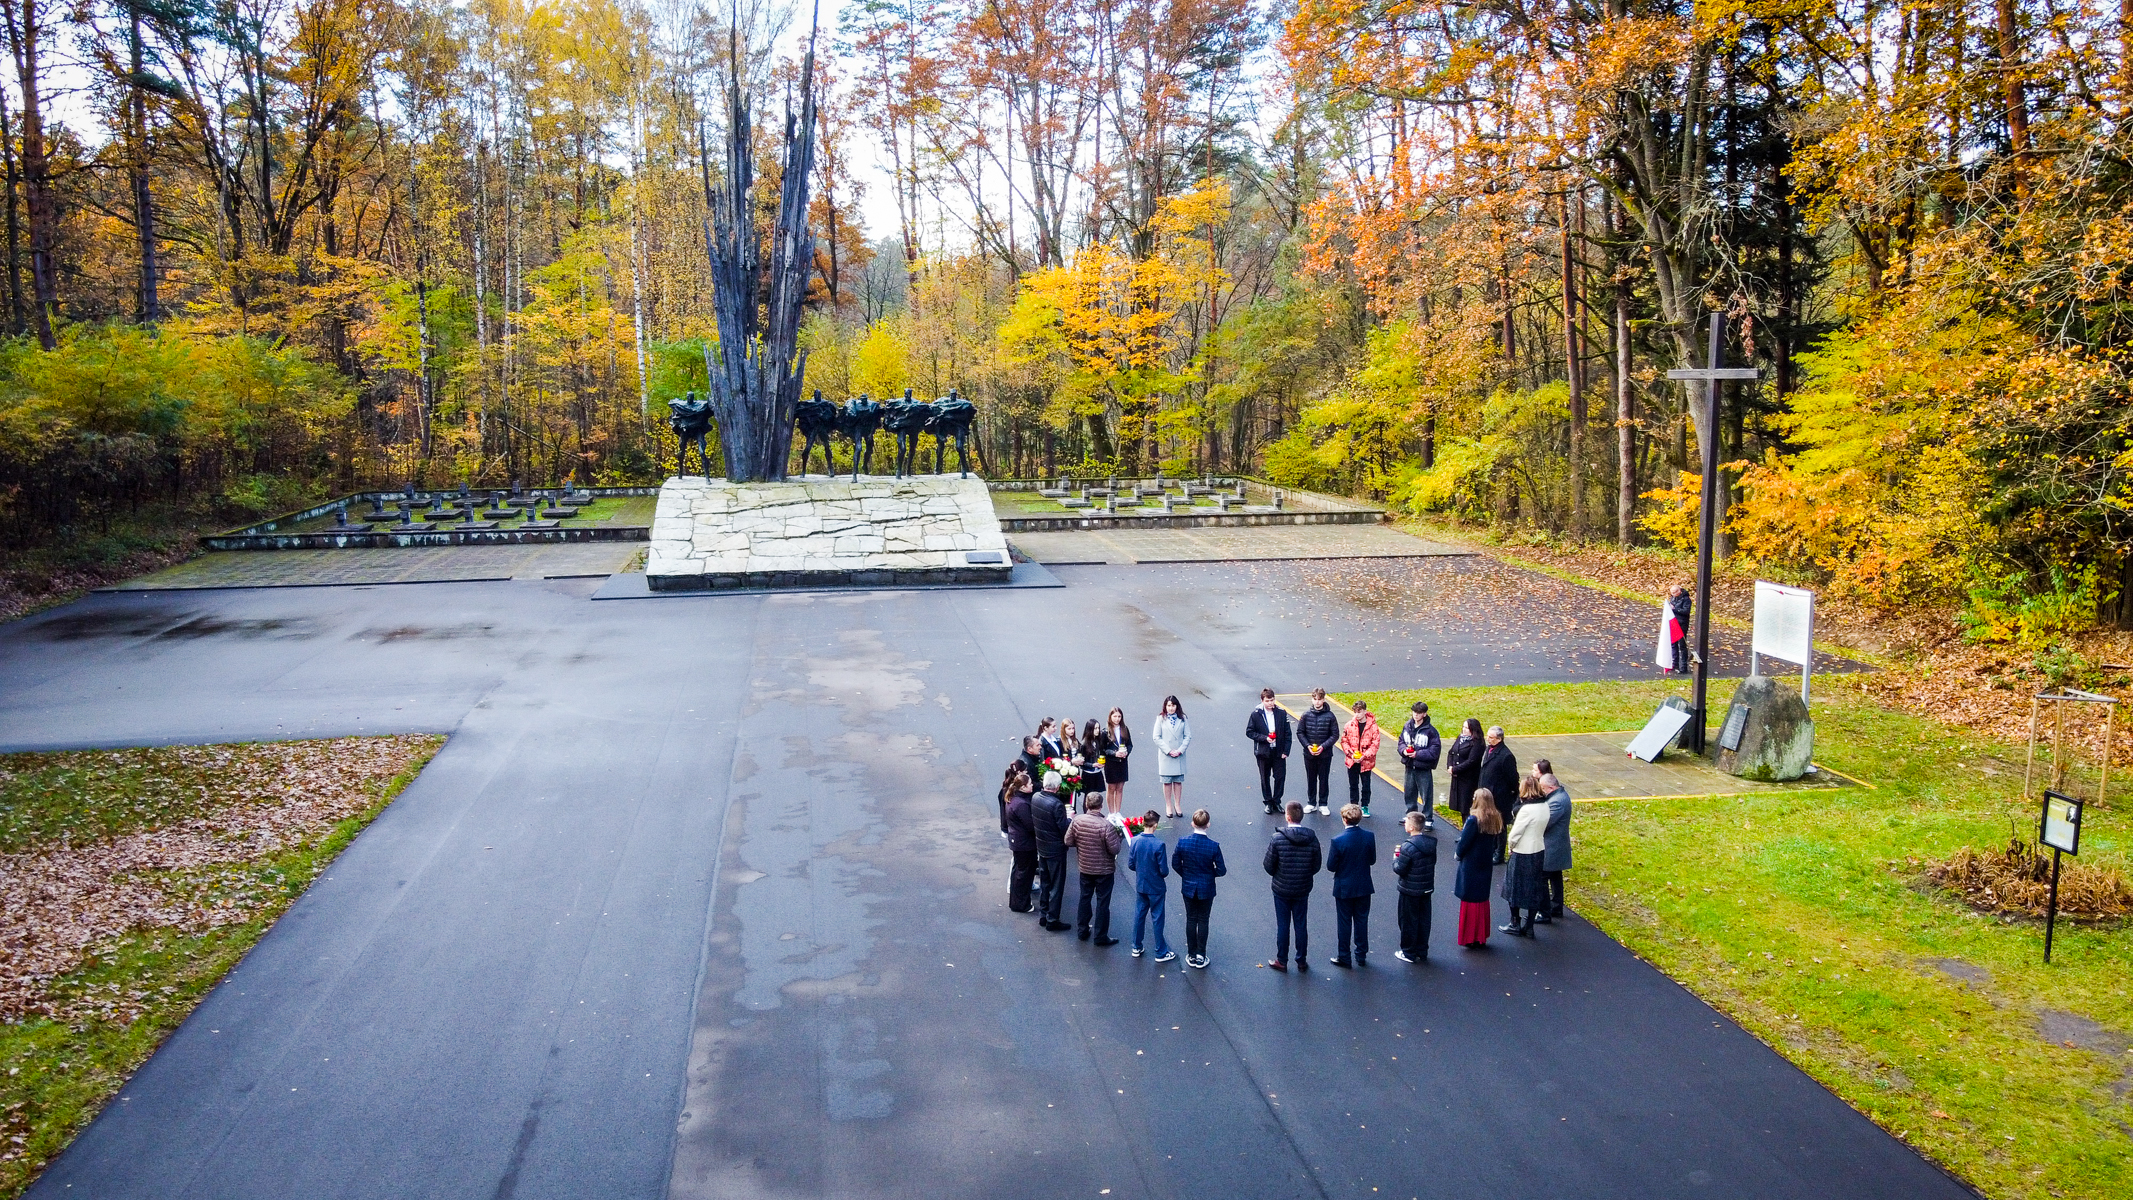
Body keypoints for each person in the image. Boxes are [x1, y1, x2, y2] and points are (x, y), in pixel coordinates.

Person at [1262, 800, 1322, 971]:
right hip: (1302, 888)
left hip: (1281, 888)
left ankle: (1282, 960)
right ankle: (1301, 960)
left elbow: (1268, 865)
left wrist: (1278, 875)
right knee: (1301, 924)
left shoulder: (1277, 838)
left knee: (1283, 924)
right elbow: (1316, 865)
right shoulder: (1312, 838)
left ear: (1287, 817)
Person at [1065, 794, 1124, 945]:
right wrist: (1119, 837)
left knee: (1085, 898)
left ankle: (1082, 930)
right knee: (1102, 903)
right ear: (1101, 805)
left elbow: (1068, 840)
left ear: (1086, 804)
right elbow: (1115, 849)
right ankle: (1100, 936)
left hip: (1085, 867)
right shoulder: (1106, 825)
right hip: (1104, 870)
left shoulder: (1077, 821)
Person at [1172, 809, 1226, 968]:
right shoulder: (1213, 846)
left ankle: (1191, 954)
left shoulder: (1183, 842)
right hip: (1206, 887)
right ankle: (1201, 955)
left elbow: (1175, 864)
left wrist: (1186, 875)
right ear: (1208, 824)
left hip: (1188, 886)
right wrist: (1210, 875)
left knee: (1191, 918)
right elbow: (1222, 870)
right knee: (1203, 920)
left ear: (1192, 823)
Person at [1325, 803, 1376, 967]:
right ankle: (1361, 955)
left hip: (1344, 887)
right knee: (1362, 920)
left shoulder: (1338, 841)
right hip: (1363, 886)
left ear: (1344, 819)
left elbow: (1331, 866)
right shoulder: (1369, 836)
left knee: (1344, 922)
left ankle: (1344, 956)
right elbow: (1372, 860)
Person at [1454, 789, 1503, 948]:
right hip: (1485, 862)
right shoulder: (1494, 818)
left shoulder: (1474, 820)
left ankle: (1469, 936)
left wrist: (1458, 854)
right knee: (1481, 899)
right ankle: (1480, 935)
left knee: (1469, 900)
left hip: (1471, 864)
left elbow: (1465, 842)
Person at [1500, 785, 1549, 937]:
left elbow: (1515, 834)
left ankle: (1514, 922)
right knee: (1534, 889)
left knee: (1513, 887)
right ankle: (1529, 926)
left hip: (1522, 852)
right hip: (1538, 850)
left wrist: (1510, 847)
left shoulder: (1526, 810)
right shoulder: (1544, 805)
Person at [1127, 809, 1174, 962]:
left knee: (1139, 915)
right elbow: (1164, 870)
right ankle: (1160, 951)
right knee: (1157, 918)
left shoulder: (1134, 841)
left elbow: (1131, 864)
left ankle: (1136, 946)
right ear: (1155, 825)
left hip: (1141, 885)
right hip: (1156, 887)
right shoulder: (1159, 844)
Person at [1391, 810, 1437, 962]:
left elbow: (1400, 869)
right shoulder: (1431, 844)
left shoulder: (1407, 847)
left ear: (1411, 827)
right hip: (1426, 888)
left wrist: (1395, 858)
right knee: (1424, 920)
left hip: (1410, 890)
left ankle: (1408, 952)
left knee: (1408, 921)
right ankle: (1422, 950)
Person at [1031, 772, 1073, 930]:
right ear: (1056, 787)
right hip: (1056, 850)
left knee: (1045, 882)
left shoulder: (1035, 798)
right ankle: (1052, 919)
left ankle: (1044, 913)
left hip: (1041, 847)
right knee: (1056, 885)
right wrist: (1070, 818)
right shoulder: (1056, 805)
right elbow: (1064, 828)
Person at [1245, 688, 1293, 815]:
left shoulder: (1281, 713)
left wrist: (1286, 751)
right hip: (1263, 752)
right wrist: (1264, 738)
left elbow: (1288, 733)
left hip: (1278, 751)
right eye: (1268, 701)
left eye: (1272, 700)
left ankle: (1277, 801)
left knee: (1280, 777)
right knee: (1264, 778)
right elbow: (1249, 732)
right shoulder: (1256, 714)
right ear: (1262, 700)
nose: (1271, 703)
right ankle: (1268, 802)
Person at [1478, 726, 1519, 863]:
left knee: (1499, 826)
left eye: (1491, 737)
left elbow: (1513, 778)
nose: (1488, 739)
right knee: (1489, 823)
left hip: (1499, 797)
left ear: (1499, 739)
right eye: (1488, 736)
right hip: (1486, 794)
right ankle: (1492, 849)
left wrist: (1511, 793)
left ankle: (1499, 853)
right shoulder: (1488, 750)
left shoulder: (1506, 756)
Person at [1296, 689, 1339, 815]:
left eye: (1320, 699)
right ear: (1312, 699)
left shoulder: (1330, 716)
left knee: (1324, 778)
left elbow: (1335, 734)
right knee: (1311, 778)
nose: (1317, 702)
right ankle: (1311, 802)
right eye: (1315, 699)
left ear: (1324, 699)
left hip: (1325, 754)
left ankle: (1323, 803)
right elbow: (1300, 732)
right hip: (1309, 754)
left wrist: (1323, 747)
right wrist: (1307, 746)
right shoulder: (1305, 715)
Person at [1339, 700, 1382, 817]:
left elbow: (1375, 744)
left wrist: (1364, 755)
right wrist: (1351, 754)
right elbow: (1344, 741)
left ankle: (1365, 806)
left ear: (1365, 711)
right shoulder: (1349, 725)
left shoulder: (1373, 727)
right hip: (1352, 760)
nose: (1357, 714)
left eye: (1359, 712)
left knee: (1366, 785)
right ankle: (1354, 805)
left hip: (1366, 762)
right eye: (1355, 712)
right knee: (1353, 784)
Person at [1397, 701, 1441, 815]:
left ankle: (1428, 817)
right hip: (1409, 765)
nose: (1416, 715)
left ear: (1424, 714)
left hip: (1423, 768)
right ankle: (1411, 815)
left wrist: (1418, 754)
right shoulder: (1407, 726)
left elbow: (1434, 751)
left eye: (1419, 712)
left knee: (1426, 794)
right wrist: (1403, 751)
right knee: (1409, 793)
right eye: (1414, 712)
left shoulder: (1431, 731)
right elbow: (1401, 741)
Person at [1540, 772, 1572, 922]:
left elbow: (1544, 823)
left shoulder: (1556, 802)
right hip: (1556, 845)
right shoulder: (1560, 797)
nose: (1541, 791)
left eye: (1543, 788)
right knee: (1555, 877)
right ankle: (1556, 906)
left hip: (1552, 846)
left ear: (1551, 788)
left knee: (1542, 878)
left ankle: (1545, 910)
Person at [1152, 695, 1191, 819]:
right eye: (1169, 705)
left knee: (1178, 781)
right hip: (1166, 755)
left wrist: (1180, 750)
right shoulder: (1160, 719)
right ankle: (1168, 805)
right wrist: (1168, 751)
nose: (1171, 708)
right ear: (1165, 706)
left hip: (1179, 754)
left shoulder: (1183, 718)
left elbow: (1187, 736)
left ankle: (1177, 805)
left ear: (1177, 706)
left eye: (1173, 705)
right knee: (1167, 782)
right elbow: (1156, 737)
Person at [1005, 771, 1037, 913]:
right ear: (1023, 787)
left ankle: (1016, 901)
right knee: (1024, 874)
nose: (1032, 786)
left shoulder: (1014, 799)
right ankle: (1021, 904)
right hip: (1024, 844)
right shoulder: (1021, 804)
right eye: (1030, 784)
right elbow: (1030, 826)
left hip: (1017, 842)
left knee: (1018, 871)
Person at [1445, 718, 1484, 819]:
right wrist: (1450, 766)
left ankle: (1468, 832)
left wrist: (1455, 769)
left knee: (1467, 807)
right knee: (1461, 808)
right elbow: (1451, 752)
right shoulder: (1460, 738)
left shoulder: (1477, 743)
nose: (1464, 729)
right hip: (1458, 777)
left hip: (1468, 779)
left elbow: (1472, 761)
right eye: (1463, 727)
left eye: (1467, 728)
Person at [1102, 708, 1133, 814]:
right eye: (1115, 716)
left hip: (1122, 762)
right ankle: (1111, 813)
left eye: (1119, 716)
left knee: (1120, 787)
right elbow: (1103, 749)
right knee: (1111, 787)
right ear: (1110, 717)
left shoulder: (1124, 729)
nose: (1117, 719)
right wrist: (1114, 753)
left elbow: (1130, 744)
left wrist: (1126, 753)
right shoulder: (1105, 731)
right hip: (1111, 763)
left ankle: (1117, 812)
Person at [1078, 718, 1108, 807]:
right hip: (1088, 774)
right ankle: (1087, 814)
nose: (1097, 731)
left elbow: (1101, 753)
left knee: (1096, 797)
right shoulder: (1084, 744)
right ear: (1090, 729)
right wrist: (1092, 765)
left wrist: (1102, 762)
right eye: (1095, 728)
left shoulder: (1098, 741)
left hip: (1097, 772)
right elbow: (1082, 763)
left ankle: (1095, 813)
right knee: (1088, 797)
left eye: (1098, 728)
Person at [1662, 585, 1692, 674]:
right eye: (1672, 592)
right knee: (1673, 644)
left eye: (1675, 592)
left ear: (1680, 590)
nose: (1674, 594)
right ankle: (1674, 664)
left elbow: (1686, 611)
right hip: (1673, 623)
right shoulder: (1673, 598)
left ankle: (1684, 667)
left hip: (1682, 624)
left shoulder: (1686, 599)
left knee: (1682, 645)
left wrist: (1675, 609)